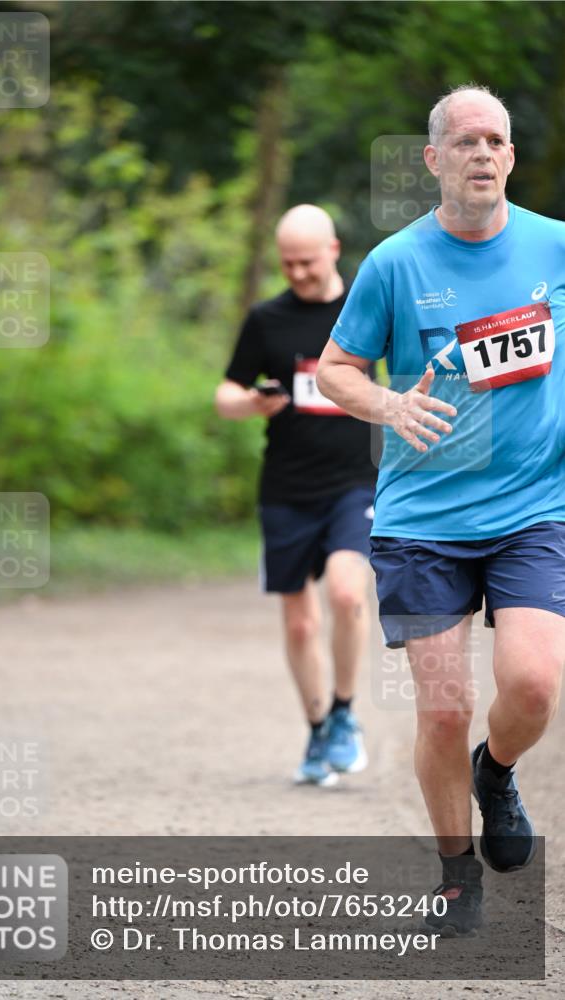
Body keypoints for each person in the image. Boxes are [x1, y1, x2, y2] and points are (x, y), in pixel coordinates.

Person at [317, 85, 564, 935]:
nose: (483, 154)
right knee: (443, 706)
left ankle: (494, 772)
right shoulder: (394, 263)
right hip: (423, 517)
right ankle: (457, 872)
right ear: (433, 160)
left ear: (509, 158)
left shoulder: (554, 247)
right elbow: (333, 369)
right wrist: (385, 406)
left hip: (536, 505)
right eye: (465, 142)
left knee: (531, 684)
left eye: (495, 140)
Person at [215, 204, 377, 786]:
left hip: (353, 480)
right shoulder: (266, 319)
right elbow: (225, 395)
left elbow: (403, 370)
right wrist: (251, 403)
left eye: (307, 261)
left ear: (333, 249)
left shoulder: (365, 304)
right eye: (287, 264)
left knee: (345, 591)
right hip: (285, 486)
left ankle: (344, 712)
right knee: (301, 623)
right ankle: (315, 734)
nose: (298, 273)